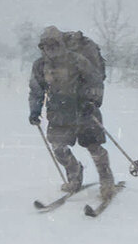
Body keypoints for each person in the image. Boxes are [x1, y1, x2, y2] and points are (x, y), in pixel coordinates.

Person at [28, 26, 116, 200]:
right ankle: (75, 175)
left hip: (84, 111)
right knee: (58, 148)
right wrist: (34, 110)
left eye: (54, 44)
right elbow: (36, 90)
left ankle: (107, 181)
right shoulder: (40, 65)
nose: (50, 48)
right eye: (46, 45)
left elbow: (95, 81)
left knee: (94, 146)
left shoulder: (77, 60)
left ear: (61, 43)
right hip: (58, 113)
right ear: (42, 47)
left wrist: (92, 101)